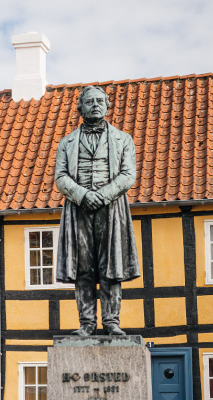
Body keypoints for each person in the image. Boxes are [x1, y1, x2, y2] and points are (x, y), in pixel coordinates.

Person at [54, 85, 140, 337]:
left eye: (99, 101)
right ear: (80, 107)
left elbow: (128, 174)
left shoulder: (123, 139)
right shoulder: (66, 142)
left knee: (111, 266)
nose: (95, 105)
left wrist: (102, 195)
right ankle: (86, 323)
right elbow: (61, 177)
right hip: (78, 209)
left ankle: (111, 321)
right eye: (89, 101)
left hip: (111, 208)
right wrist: (83, 195)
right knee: (83, 268)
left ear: (107, 105)